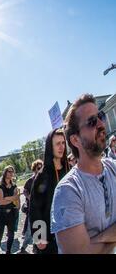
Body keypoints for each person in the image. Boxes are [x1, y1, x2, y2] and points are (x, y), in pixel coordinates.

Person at [51, 94, 116, 253]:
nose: (101, 124)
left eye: (100, 116)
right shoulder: (68, 191)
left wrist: (96, 240)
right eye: (92, 121)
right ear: (75, 140)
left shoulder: (113, 168)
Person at [29, 128, 69, 254]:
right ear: (50, 147)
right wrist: (39, 237)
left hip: (71, 231)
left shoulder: (71, 171)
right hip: (51, 237)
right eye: (57, 143)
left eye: (63, 143)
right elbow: (35, 208)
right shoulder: (42, 175)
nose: (61, 147)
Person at [0, 165, 20, 254]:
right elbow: (0, 202)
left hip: (11, 214)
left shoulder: (14, 186)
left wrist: (7, 198)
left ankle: (8, 251)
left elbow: (17, 201)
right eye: (9, 171)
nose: (11, 173)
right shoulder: (0, 186)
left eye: (12, 171)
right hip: (1, 214)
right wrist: (12, 198)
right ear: (5, 173)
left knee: (11, 235)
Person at [19, 159, 43, 254]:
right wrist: (30, 197)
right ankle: (23, 247)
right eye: (38, 168)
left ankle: (36, 248)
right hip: (32, 210)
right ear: (34, 169)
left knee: (40, 229)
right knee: (30, 230)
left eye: (42, 167)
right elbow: (25, 191)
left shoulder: (44, 179)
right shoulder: (30, 180)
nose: (40, 169)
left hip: (42, 209)